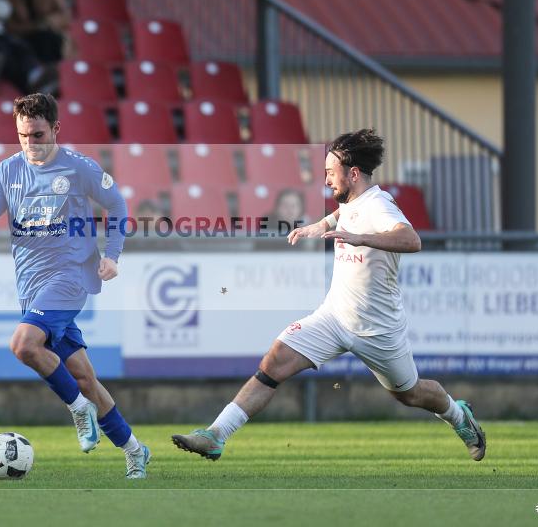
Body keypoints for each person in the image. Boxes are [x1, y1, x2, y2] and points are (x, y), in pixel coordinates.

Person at [172, 129, 486, 462]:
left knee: (410, 394)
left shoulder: (379, 205)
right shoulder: (351, 203)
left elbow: (412, 240)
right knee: (274, 361)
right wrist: (317, 227)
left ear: (353, 173)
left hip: (377, 328)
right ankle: (216, 435)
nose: (326, 180)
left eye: (330, 173)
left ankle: (457, 415)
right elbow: (340, 216)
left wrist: (361, 238)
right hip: (334, 317)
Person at [0, 93, 151, 479]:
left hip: (71, 277)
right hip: (32, 287)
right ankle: (135, 449)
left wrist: (112, 254)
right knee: (84, 378)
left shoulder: (79, 169)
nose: (30, 144)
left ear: (55, 129)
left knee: (22, 344)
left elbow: (117, 206)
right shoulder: (7, 171)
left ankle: (78, 408)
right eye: (22, 136)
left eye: (37, 135)